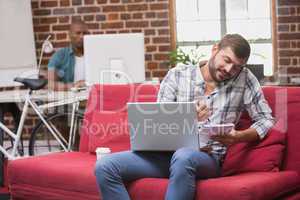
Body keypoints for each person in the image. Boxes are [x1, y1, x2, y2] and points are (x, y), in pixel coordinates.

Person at [94, 34, 275, 200]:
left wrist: (238, 137)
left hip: (206, 158)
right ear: (215, 49)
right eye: (226, 60)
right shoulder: (178, 75)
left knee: (184, 156)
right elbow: (156, 122)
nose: (229, 69)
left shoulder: (244, 79)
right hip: (162, 156)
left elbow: (266, 118)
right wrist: (187, 117)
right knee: (105, 167)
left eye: (237, 66)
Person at [47, 19, 89, 91]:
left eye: (85, 33)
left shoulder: (96, 54)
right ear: (69, 35)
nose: (82, 36)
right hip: (71, 99)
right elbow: (50, 84)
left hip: (94, 98)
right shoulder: (60, 56)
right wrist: (74, 86)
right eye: (78, 33)